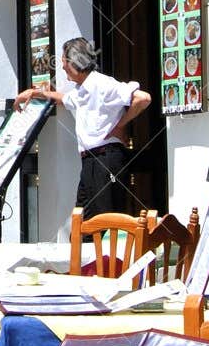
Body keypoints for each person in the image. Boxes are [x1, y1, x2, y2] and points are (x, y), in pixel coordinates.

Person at [16, 36, 152, 218]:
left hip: (106, 160)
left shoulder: (103, 84)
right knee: (83, 225)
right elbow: (63, 99)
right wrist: (34, 93)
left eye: (64, 61)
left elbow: (143, 99)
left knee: (106, 222)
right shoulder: (82, 89)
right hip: (90, 162)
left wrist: (120, 124)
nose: (62, 66)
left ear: (75, 62)